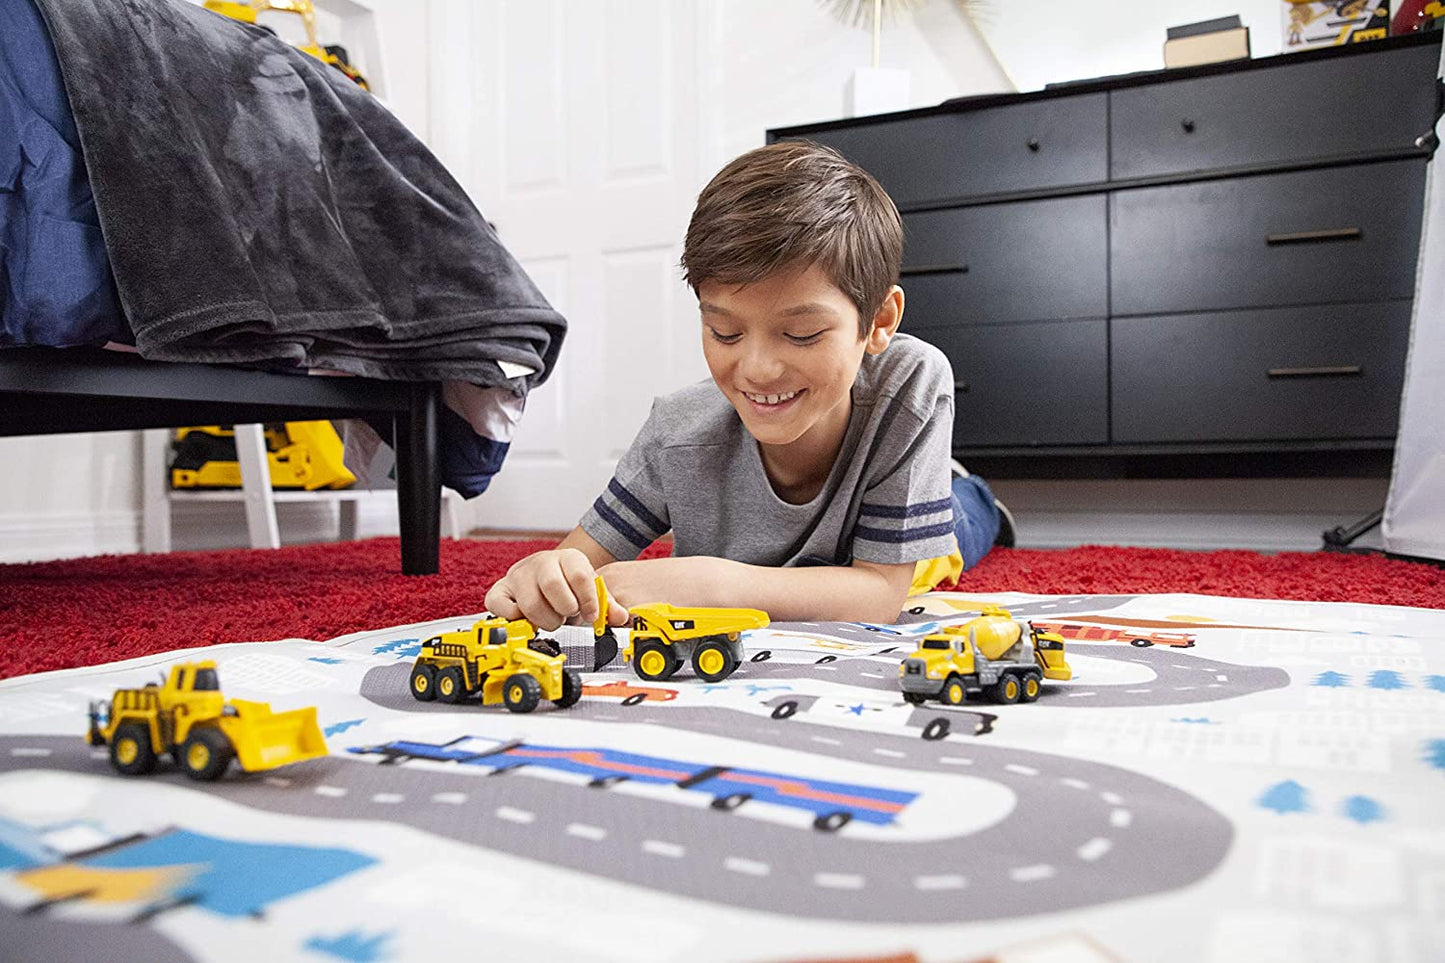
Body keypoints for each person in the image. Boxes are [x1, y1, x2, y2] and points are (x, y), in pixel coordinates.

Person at [484, 141, 1012, 631]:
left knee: (959, 533)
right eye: (725, 331)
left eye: (801, 334)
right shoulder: (677, 433)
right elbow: (576, 558)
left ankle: (969, 489)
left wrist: (713, 585)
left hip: (899, 527)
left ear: (878, 323)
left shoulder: (910, 382)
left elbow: (880, 593)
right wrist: (544, 576)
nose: (757, 370)